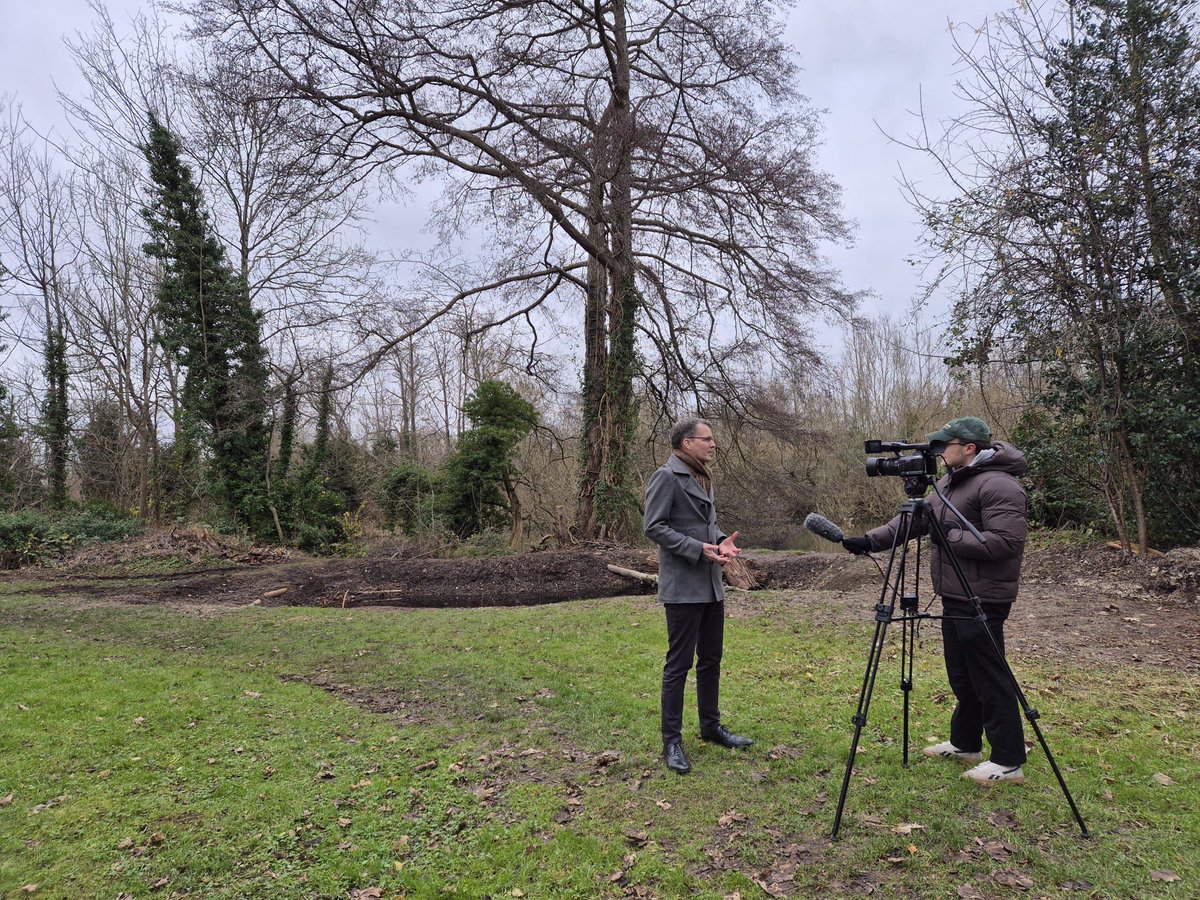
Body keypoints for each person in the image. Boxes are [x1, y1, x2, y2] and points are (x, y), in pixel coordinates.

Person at [841, 416, 1029, 785]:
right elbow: (914, 522)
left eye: (946, 445)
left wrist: (951, 537)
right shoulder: (950, 481)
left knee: (990, 677)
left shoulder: (1000, 485)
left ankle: (1008, 760)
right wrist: (869, 540)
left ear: (969, 448)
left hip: (983, 597)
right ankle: (966, 744)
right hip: (955, 594)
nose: (939, 452)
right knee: (962, 674)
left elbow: (1006, 544)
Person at [644, 416, 751, 775]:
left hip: (710, 585)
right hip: (683, 586)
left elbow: (704, 525)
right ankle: (671, 741)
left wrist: (720, 540)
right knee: (679, 665)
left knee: (711, 660)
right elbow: (654, 526)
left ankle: (710, 727)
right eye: (706, 439)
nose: (713, 444)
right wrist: (697, 548)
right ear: (686, 443)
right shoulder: (666, 477)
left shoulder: (702, 477)